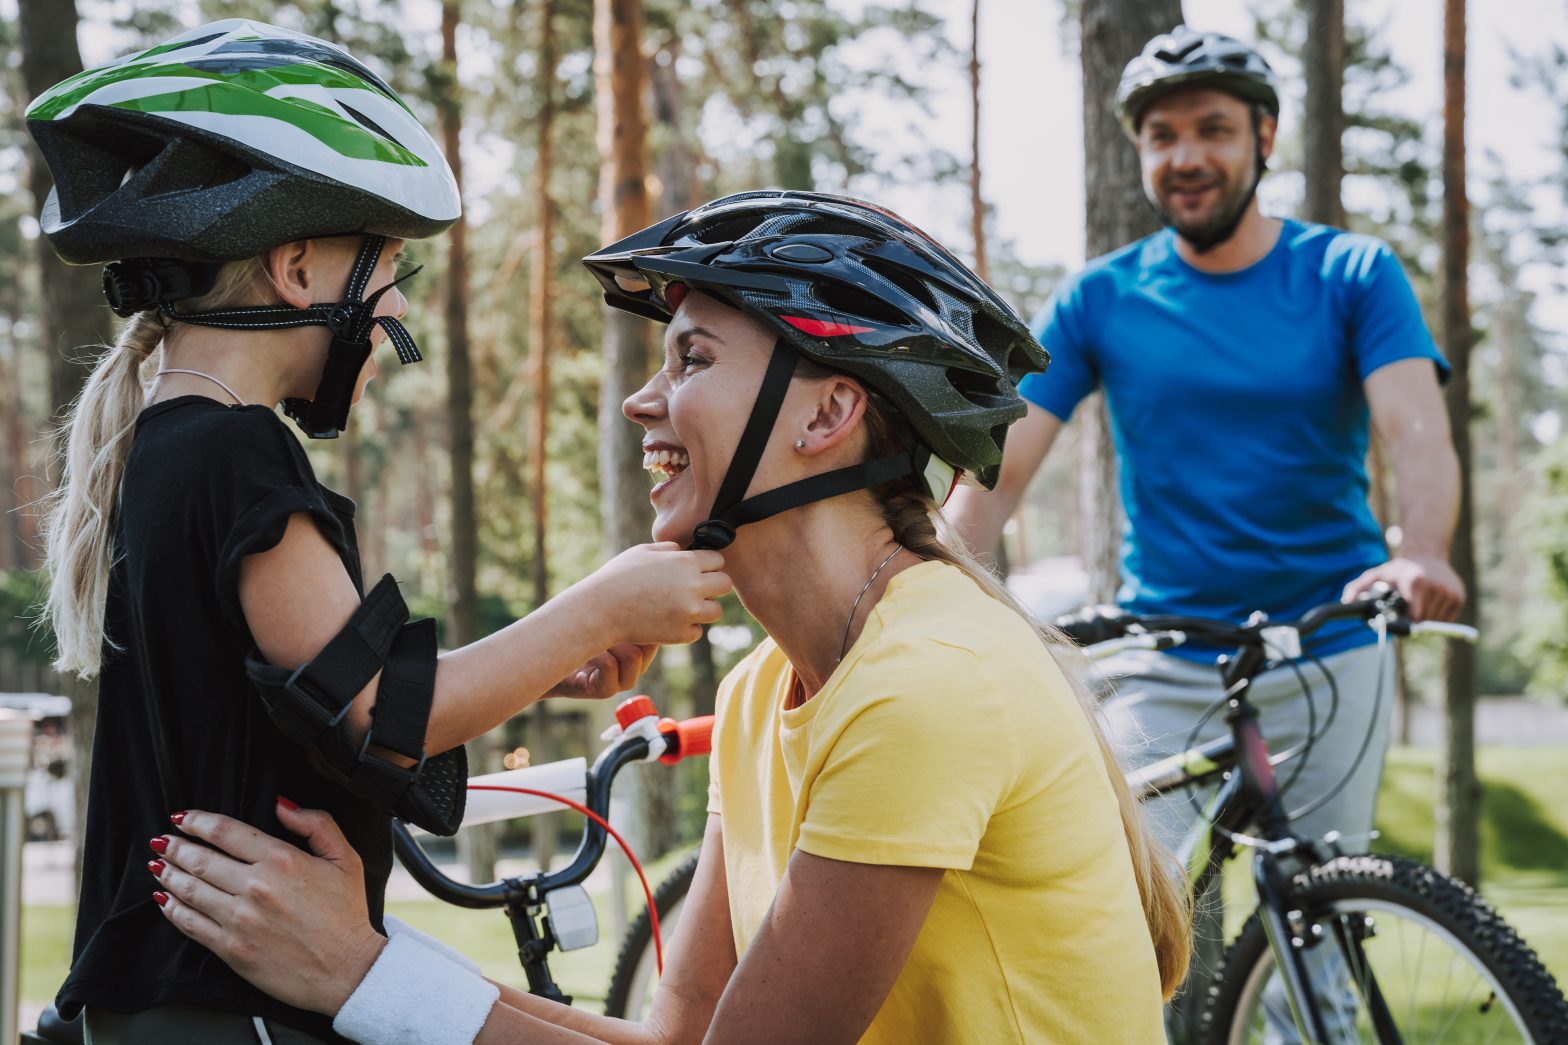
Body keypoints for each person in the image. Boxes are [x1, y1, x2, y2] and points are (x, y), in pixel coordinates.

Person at [149, 190, 1191, 1044]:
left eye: (690, 361)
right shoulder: (757, 696)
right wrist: (376, 963)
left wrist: (362, 974)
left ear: (827, 414)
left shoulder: (925, 681)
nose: (640, 402)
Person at [29, 21, 727, 1044]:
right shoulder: (236, 455)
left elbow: (321, 703)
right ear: (299, 267)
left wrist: (545, 658)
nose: (394, 304)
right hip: (237, 1008)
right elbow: (384, 713)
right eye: (387, 265)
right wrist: (602, 604)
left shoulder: (166, 452)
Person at [945, 24, 1465, 1039]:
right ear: (1140, 152)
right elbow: (998, 468)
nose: (1184, 156)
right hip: (1163, 653)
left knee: (1311, 944)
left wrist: (1422, 550)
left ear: (1262, 137)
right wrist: (928, 578)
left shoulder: (1350, 273)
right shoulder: (1101, 295)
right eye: (1161, 135)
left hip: (1329, 642)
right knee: (1115, 923)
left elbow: (1413, 427)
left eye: (1212, 129)